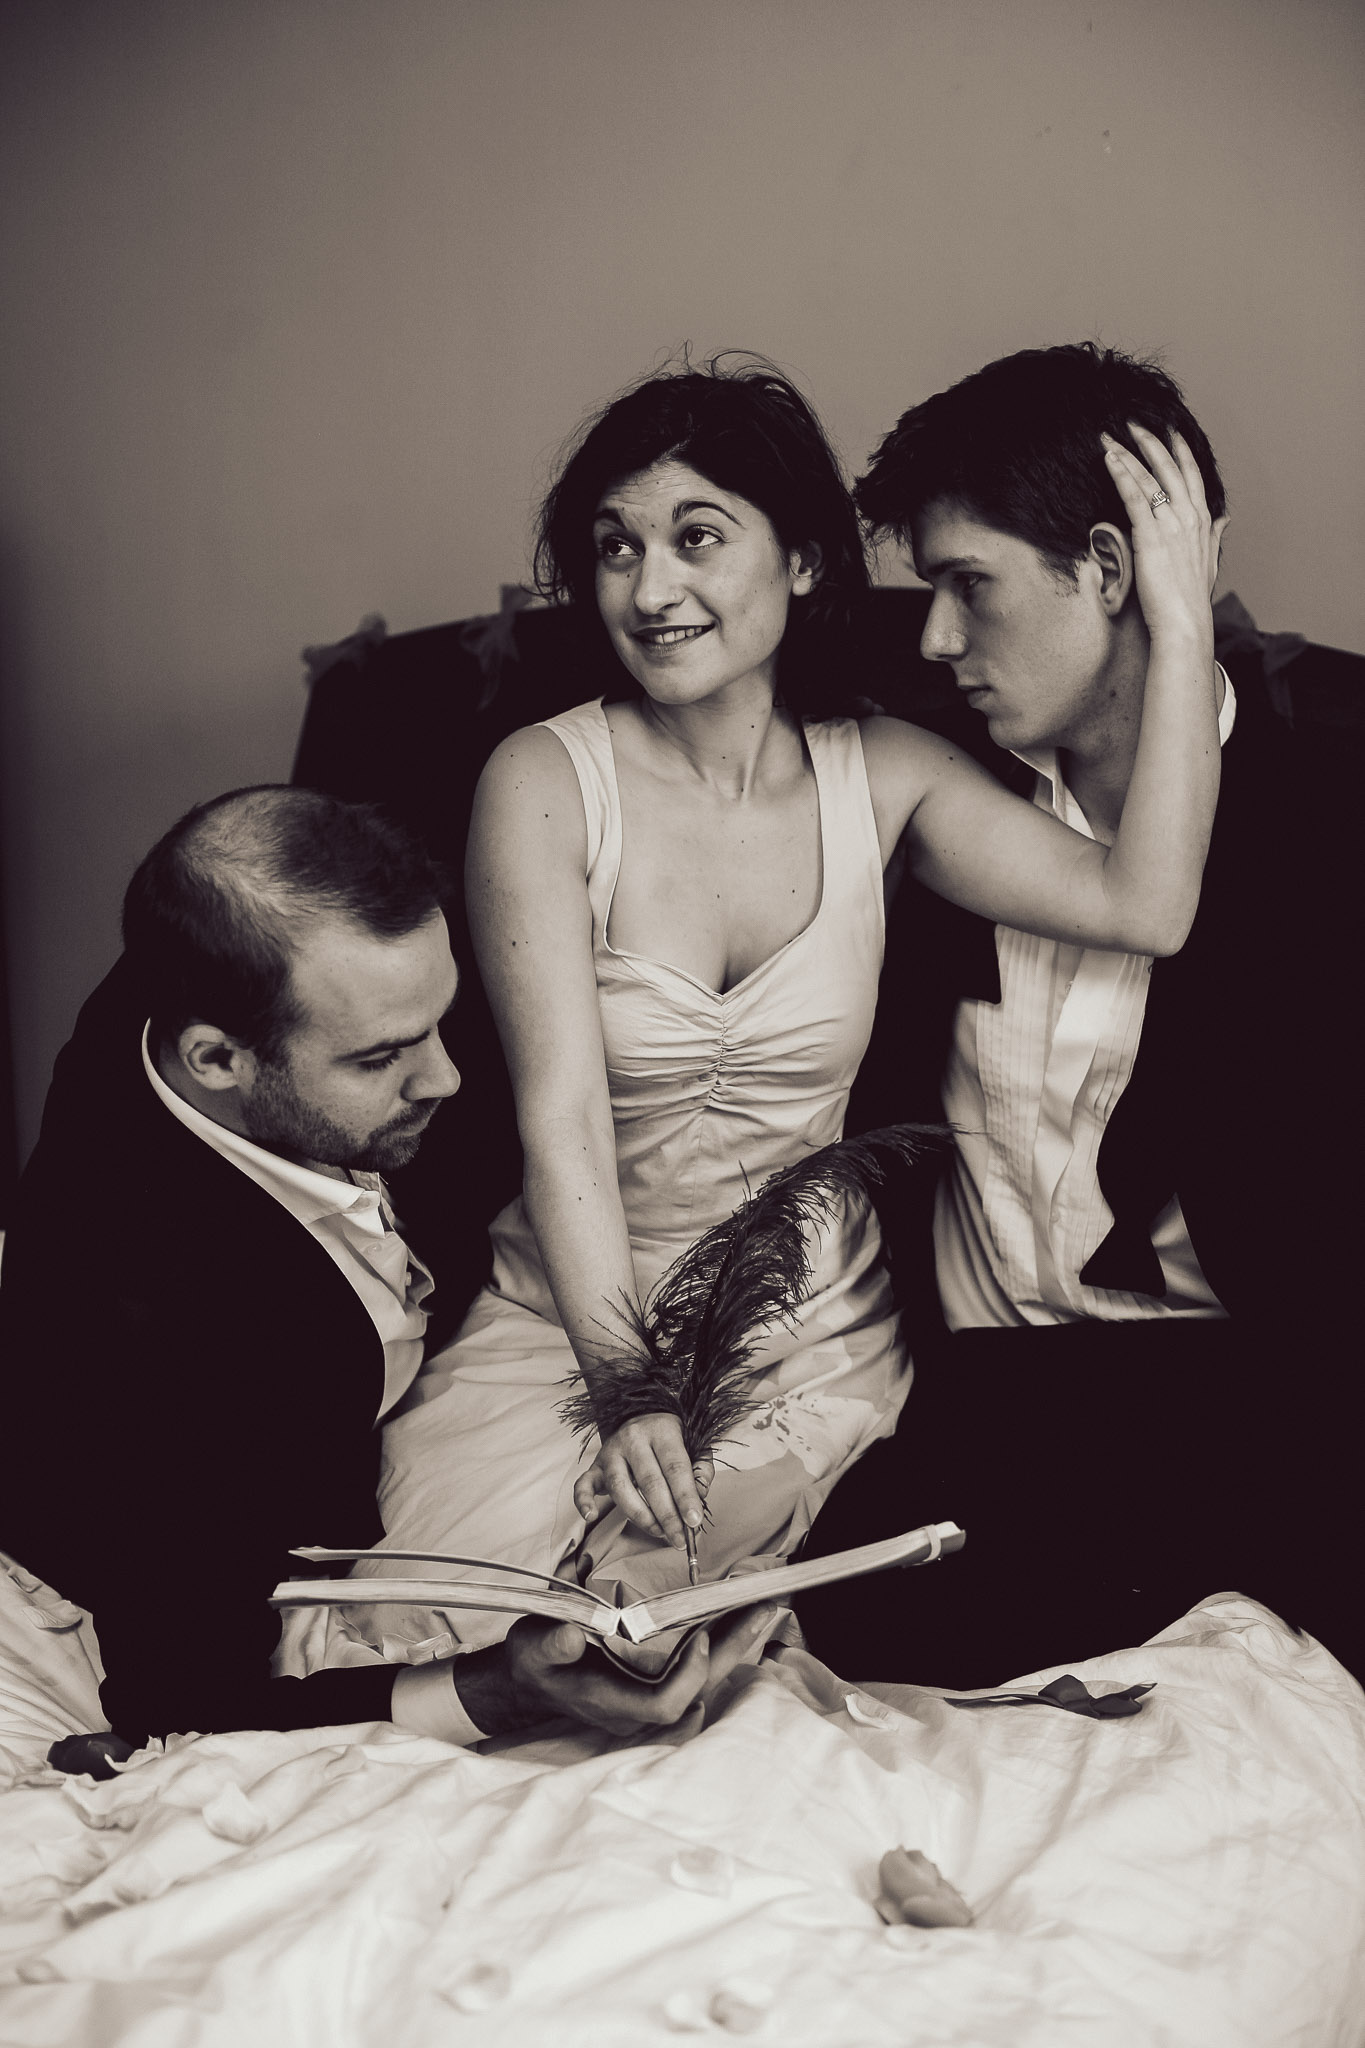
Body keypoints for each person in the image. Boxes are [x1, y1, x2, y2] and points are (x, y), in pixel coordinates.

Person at [366, 355, 1223, 1638]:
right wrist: (624, 1385)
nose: (650, 589)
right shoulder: (541, 781)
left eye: (697, 537)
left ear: (806, 560)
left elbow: (1143, 904)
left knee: (647, 1635)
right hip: (571, 1320)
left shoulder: (890, 774)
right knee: (435, 1636)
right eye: (616, 547)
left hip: (808, 1335)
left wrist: (1181, 615)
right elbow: (563, 1118)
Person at [0, 785, 780, 1772]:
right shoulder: (148, 1331)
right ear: (217, 1059)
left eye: (437, 1020)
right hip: (191, 1543)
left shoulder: (241, 960)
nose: (446, 1077)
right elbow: (184, 1689)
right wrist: (500, 1688)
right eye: (381, 1058)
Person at [795, 342, 1361, 1685]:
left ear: (1110, 569)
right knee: (839, 1643)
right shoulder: (930, 797)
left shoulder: (1329, 821)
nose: (935, 637)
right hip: (982, 1392)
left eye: (968, 585)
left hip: (1243, 1394)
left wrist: (1185, 628)